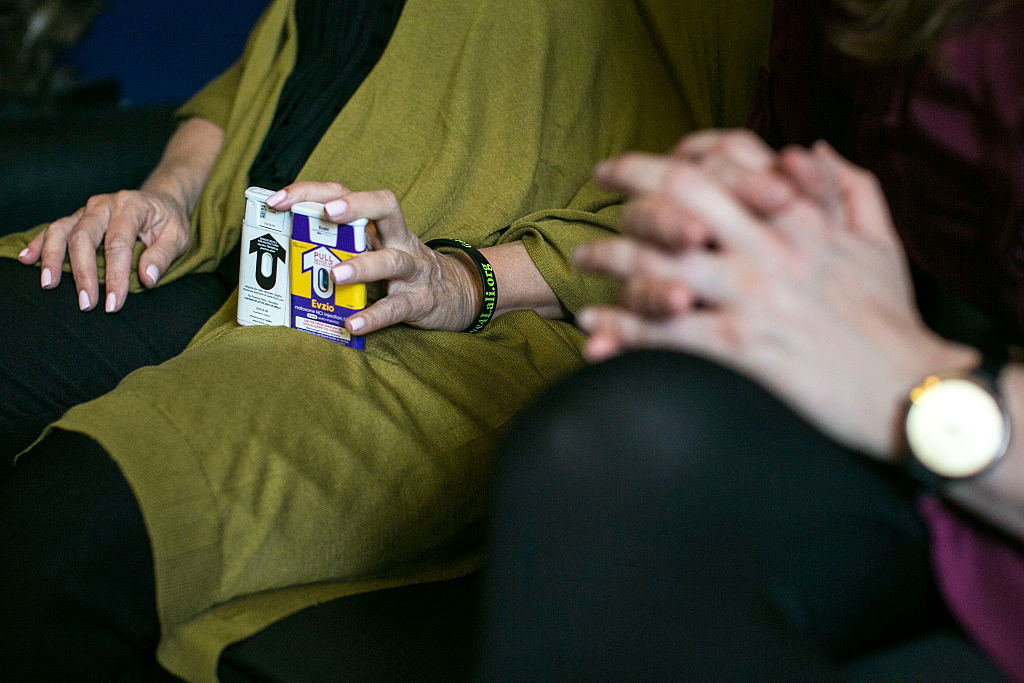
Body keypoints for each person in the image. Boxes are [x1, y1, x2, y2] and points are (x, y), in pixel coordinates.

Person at [0, 0, 773, 678]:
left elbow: (694, 220)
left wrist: (459, 282)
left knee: (68, 531)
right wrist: (164, 193)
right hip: (224, 251)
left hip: (438, 330)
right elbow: (262, 75)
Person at [481, 0, 1024, 680]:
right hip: (943, 464)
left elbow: (879, 349)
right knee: (622, 435)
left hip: (983, 444)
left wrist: (906, 376)